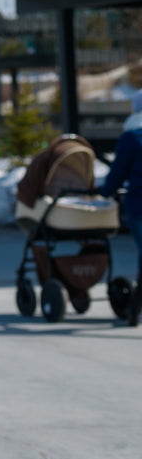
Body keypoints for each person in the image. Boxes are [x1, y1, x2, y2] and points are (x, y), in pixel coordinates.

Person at [98, 127, 142, 327]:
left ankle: (135, 308)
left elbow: (118, 172)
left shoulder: (133, 137)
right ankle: (135, 307)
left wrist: (105, 192)